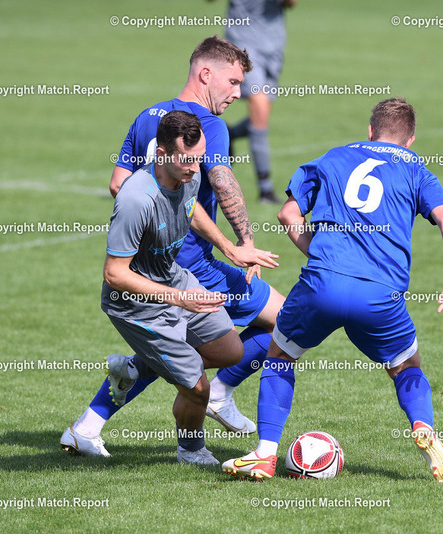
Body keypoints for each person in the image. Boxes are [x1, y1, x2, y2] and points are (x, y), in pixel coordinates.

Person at [60, 36, 286, 458]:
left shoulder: (148, 116)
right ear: (206, 74)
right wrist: (244, 241)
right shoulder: (207, 125)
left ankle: (92, 420)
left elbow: (118, 183)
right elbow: (222, 180)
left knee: (185, 344)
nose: (238, 93)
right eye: (233, 82)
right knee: (286, 322)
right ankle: (212, 400)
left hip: (160, 263)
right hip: (192, 265)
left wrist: (153, 225)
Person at [223, 98, 443, 482]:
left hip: (323, 283)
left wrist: (317, 253)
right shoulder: (417, 169)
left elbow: (287, 213)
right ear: (410, 140)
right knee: (406, 368)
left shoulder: (334, 157)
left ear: (370, 131)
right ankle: (423, 426)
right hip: (380, 294)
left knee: (280, 357)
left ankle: (265, 454)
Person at [213, 0, 298, 203]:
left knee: (262, 115)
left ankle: (229, 133)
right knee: (259, 104)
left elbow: (291, 3)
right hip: (243, 44)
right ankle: (265, 189)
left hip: (273, 45)